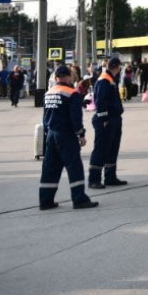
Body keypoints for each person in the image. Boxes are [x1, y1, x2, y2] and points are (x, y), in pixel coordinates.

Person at [38, 65, 99, 210]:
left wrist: (47, 133)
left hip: (51, 134)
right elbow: (75, 118)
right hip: (66, 135)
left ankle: (45, 201)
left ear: (56, 77)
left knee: (50, 168)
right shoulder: (72, 93)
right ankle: (79, 200)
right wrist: (81, 134)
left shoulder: (48, 93)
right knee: (74, 166)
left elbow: (45, 116)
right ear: (68, 77)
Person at [89, 57, 129, 189]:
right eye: (120, 67)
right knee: (101, 149)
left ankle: (110, 177)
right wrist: (104, 119)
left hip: (114, 118)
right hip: (106, 120)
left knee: (112, 149)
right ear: (117, 66)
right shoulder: (105, 79)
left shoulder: (110, 78)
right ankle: (94, 179)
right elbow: (100, 101)